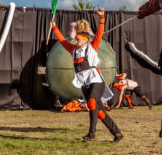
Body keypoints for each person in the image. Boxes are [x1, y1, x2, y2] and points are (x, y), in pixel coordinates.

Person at [51, 7, 123, 142]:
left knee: (91, 103)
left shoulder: (91, 46)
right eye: (76, 39)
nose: (76, 41)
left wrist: (102, 18)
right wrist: (54, 28)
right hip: (85, 84)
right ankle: (117, 134)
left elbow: (99, 34)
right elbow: (62, 41)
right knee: (100, 112)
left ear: (85, 40)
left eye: (78, 39)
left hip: (96, 82)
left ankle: (92, 133)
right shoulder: (73, 49)